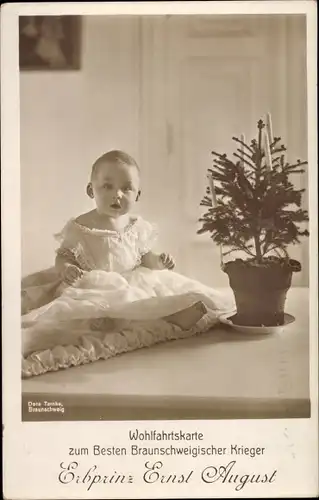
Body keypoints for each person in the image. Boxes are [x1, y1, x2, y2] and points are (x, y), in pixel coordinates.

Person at [21, 150, 234, 357]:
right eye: (107, 186)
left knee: (149, 296)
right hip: (94, 283)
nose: (117, 194)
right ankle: (115, 321)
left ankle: (173, 315)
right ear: (90, 190)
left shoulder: (136, 226)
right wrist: (66, 268)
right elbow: (64, 255)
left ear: (138, 194)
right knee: (92, 310)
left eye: (127, 188)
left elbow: (143, 255)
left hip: (133, 278)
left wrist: (158, 261)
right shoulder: (81, 227)